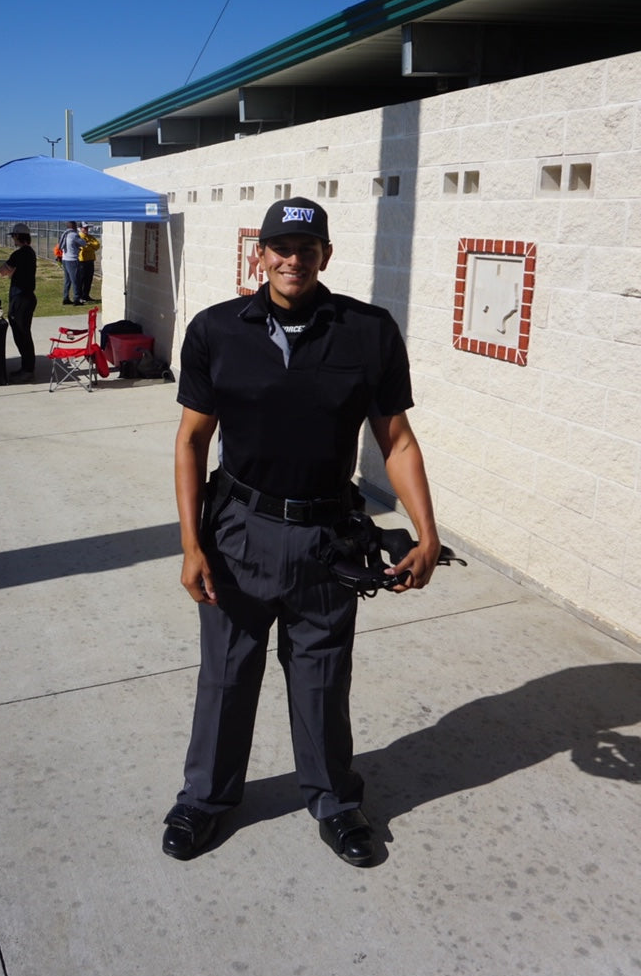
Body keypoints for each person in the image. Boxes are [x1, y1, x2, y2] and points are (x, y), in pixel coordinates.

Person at [162, 197, 440, 867]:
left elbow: (396, 440)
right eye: (280, 248)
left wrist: (426, 532)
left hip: (327, 537)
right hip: (239, 530)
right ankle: (205, 799)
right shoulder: (215, 331)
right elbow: (191, 442)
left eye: (306, 249)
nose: (293, 260)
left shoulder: (367, 332)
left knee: (322, 676)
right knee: (227, 675)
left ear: (326, 256)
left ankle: (335, 801)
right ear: (258, 255)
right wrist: (191, 544)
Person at [0, 223, 37, 380]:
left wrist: (5, 270)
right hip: (25, 297)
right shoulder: (30, 253)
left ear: (18, 236)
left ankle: (28, 369)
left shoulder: (19, 254)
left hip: (21, 298)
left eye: (14, 236)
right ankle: (26, 367)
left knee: (22, 334)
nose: (13, 239)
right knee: (22, 334)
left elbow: (3, 271)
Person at [57, 220, 84, 305]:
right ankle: (76, 299)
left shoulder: (65, 234)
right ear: (73, 226)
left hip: (65, 259)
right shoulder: (74, 235)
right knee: (75, 280)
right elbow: (83, 243)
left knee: (67, 280)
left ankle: (66, 298)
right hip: (72, 260)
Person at [77, 223, 100, 303]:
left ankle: (86, 295)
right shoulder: (79, 236)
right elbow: (83, 248)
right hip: (82, 261)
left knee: (89, 279)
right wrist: (91, 246)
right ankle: (79, 296)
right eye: (84, 228)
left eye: (87, 228)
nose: (86, 229)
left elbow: (97, 245)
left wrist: (89, 244)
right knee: (81, 279)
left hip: (90, 260)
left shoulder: (90, 237)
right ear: (80, 228)